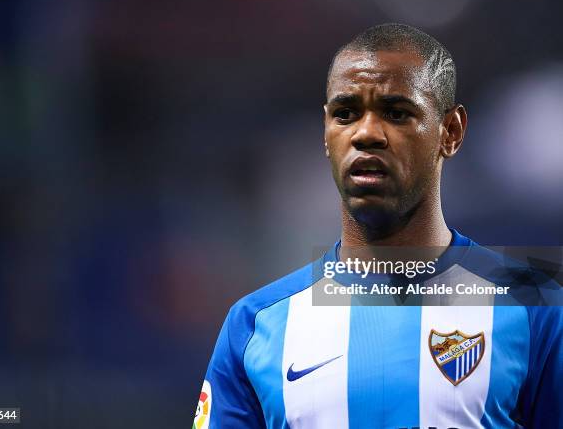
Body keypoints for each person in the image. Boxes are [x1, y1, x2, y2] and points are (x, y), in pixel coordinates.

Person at [192, 23, 561, 429]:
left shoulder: (536, 306)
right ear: (326, 133)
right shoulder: (255, 324)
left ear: (451, 132)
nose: (366, 133)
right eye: (346, 113)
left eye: (397, 113)